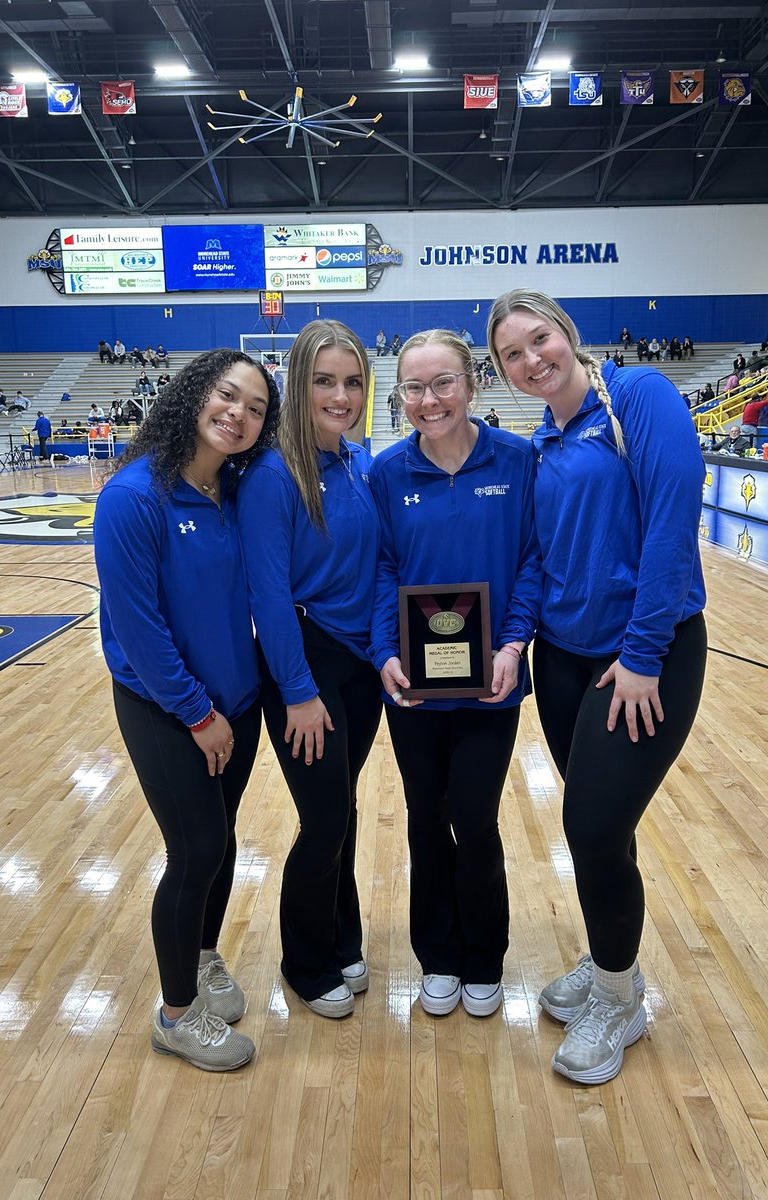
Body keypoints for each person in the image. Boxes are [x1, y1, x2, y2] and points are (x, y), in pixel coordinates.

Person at [488, 288, 707, 1085]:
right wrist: (518, 640)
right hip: (566, 662)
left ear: (567, 334)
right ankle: (609, 959)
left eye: (538, 339)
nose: (531, 358)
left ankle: (620, 1000)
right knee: (603, 827)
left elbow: (673, 523)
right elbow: (541, 558)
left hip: (645, 658)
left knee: (588, 826)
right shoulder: (544, 442)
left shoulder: (638, 397)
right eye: (513, 354)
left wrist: (645, 654)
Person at [93, 349, 279, 1072]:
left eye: (256, 408)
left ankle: (202, 959)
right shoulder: (133, 495)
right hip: (168, 708)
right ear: (194, 394)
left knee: (223, 841)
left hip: (237, 703)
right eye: (227, 396)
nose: (239, 414)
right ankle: (175, 1014)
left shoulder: (235, 488)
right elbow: (138, 629)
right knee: (196, 849)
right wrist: (198, 715)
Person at [370, 329, 539, 1020]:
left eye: (443, 383)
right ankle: (436, 956)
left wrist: (514, 644)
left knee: (474, 817)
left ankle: (483, 956)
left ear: (471, 385)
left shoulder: (519, 460)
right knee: (423, 818)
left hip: (491, 681)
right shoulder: (387, 474)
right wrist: (384, 650)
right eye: (415, 387)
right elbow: (382, 570)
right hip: (413, 688)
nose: (430, 399)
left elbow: (531, 559)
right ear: (401, 395)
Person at [239, 320, 381, 1020]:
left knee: (343, 810)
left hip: (358, 665)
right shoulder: (272, 475)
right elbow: (267, 593)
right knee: (324, 819)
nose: (341, 394)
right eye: (324, 380)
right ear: (298, 384)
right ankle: (304, 961)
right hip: (303, 663)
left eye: (351, 381)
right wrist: (296, 692)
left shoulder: (357, 461)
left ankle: (342, 934)